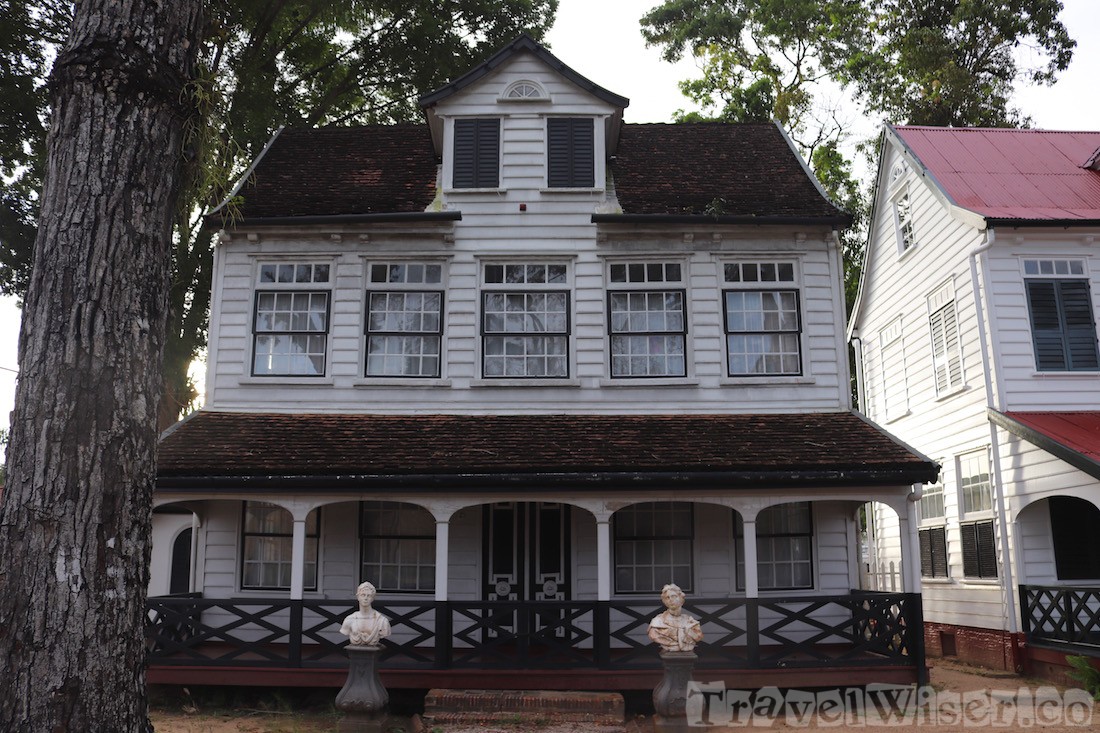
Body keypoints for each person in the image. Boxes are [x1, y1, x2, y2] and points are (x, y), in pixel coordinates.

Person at [648, 583, 703, 652]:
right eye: (667, 598)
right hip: (669, 650)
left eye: (673, 596)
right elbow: (654, 635)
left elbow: (698, 637)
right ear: (665, 601)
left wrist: (689, 632)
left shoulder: (690, 621)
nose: (670, 599)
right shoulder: (658, 622)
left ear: (681, 598)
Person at [340, 581, 392, 647]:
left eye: (369, 595)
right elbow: (344, 631)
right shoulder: (349, 619)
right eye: (363, 595)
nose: (366, 598)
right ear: (358, 597)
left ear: (372, 598)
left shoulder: (382, 621)